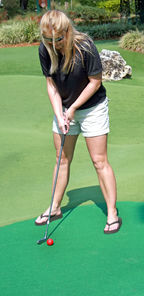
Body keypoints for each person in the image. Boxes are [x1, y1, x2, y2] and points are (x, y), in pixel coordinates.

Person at [35, 10, 122, 234]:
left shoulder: (85, 47)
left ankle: (112, 213)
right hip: (64, 108)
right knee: (61, 159)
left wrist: (73, 108)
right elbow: (51, 86)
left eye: (58, 39)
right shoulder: (45, 50)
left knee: (99, 161)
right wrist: (59, 114)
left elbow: (95, 82)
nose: (54, 45)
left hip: (92, 108)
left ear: (67, 31)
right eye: (48, 40)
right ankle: (54, 208)